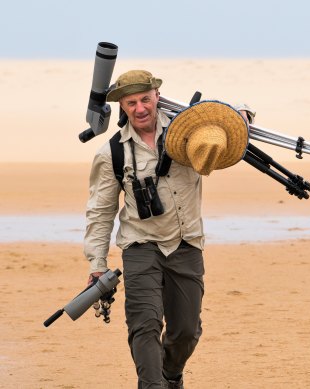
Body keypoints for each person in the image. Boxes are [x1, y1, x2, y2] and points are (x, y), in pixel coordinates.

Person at [83, 69, 249, 389]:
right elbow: (100, 213)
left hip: (186, 243)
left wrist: (242, 116)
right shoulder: (112, 153)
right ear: (123, 107)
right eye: (131, 103)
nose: (140, 108)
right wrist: (97, 265)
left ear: (157, 96)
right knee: (143, 326)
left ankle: (171, 375)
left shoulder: (188, 134)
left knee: (186, 332)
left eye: (146, 99)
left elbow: (224, 122)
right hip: (140, 246)